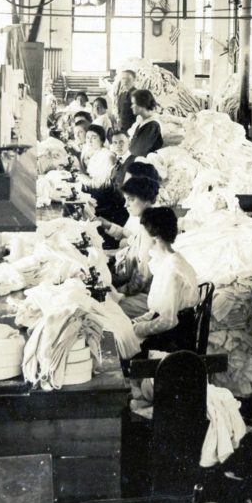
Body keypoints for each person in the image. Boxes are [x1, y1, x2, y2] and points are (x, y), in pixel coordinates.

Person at [130, 206, 201, 352]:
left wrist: (136, 329)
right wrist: (134, 322)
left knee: (125, 350)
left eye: (143, 235)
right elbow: (157, 311)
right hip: (171, 331)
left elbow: (168, 320)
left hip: (175, 340)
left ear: (155, 237)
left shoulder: (172, 269)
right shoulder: (166, 261)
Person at [104, 176, 159, 310]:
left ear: (146, 200)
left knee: (101, 308)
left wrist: (117, 292)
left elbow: (141, 279)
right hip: (135, 288)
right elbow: (131, 241)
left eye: (131, 199)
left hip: (145, 297)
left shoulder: (149, 230)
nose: (125, 205)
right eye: (126, 200)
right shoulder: (145, 223)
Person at [125, 88, 164, 158]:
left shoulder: (153, 125)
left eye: (133, 104)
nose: (131, 107)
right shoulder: (141, 120)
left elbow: (138, 151)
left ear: (142, 104)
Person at [80, 125, 117, 190]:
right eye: (87, 137)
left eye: (94, 138)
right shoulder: (96, 153)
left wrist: (80, 177)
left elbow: (99, 185)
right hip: (92, 188)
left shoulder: (107, 156)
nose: (89, 141)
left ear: (102, 140)